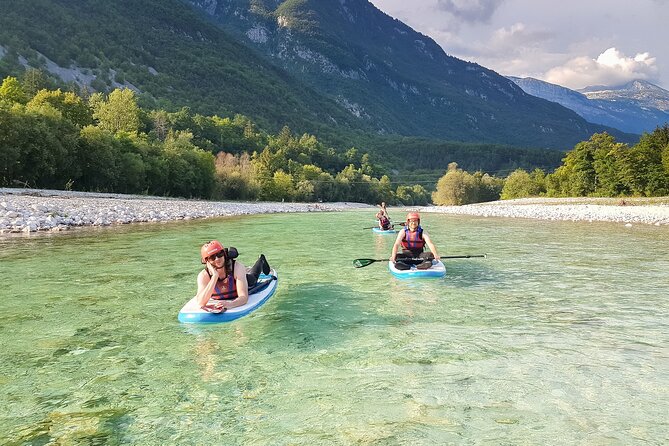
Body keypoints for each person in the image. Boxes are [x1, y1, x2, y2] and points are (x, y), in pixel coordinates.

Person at [196, 240, 271, 313]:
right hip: (223, 285)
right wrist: (214, 276)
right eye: (212, 257)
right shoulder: (203, 276)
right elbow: (200, 303)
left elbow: (244, 298)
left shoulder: (237, 267)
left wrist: (230, 304)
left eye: (219, 254)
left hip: (242, 281)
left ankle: (261, 260)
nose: (217, 259)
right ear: (207, 261)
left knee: (253, 280)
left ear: (224, 254)